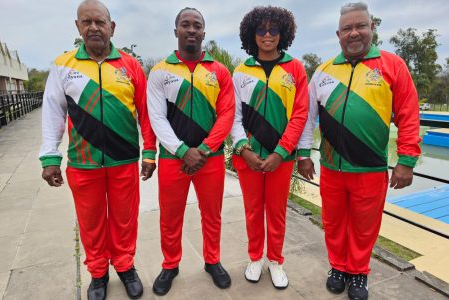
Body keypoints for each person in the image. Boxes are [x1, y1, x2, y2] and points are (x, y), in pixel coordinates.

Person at [297, 2, 421, 300]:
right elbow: (307, 116)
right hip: (331, 167)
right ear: (338, 34)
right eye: (348, 28)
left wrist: (406, 160)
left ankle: (359, 273)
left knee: (365, 227)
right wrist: (303, 154)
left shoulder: (393, 66)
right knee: (333, 222)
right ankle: (338, 267)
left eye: (360, 26)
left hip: (370, 168)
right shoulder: (323, 71)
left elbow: (409, 114)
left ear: (371, 28)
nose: (354, 33)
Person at [39, 1, 157, 299]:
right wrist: (50, 156)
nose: (93, 27)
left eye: (100, 22)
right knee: (91, 223)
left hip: (123, 161)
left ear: (111, 27)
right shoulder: (64, 65)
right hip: (83, 163)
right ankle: (98, 275)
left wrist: (149, 153)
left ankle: (125, 266)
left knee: (124, 220)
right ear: (78, 27)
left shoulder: (130, 66)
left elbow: (146, 113)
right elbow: (52, 112)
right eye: (86, 22)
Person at [147, 7, 235, 296]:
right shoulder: (160, 71)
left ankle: (212, 261)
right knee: (170, 216)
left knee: (212, 214)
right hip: (174, 159)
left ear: (204, 33)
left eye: (197, 25)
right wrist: (183, 150)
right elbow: (156, 118)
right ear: (176, 31)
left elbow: (227, 114)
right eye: (185, 24)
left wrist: (206, 149)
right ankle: (170, 265)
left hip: (210, 160)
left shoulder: (219, 71)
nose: (191, 30)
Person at [230, 6, 309, 289]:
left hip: (281, 158)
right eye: (261, 30)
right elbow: (233, 116)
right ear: (252, 34)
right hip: (248, 157)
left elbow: (300, 114)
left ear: (282, 33)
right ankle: (255, 258)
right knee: (253, 210)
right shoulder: (240, 71)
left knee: (276, 212)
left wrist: (281, 152)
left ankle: (275, 260)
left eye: (273, 30)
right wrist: (242, 148)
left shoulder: (295, 68)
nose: (267, 35)